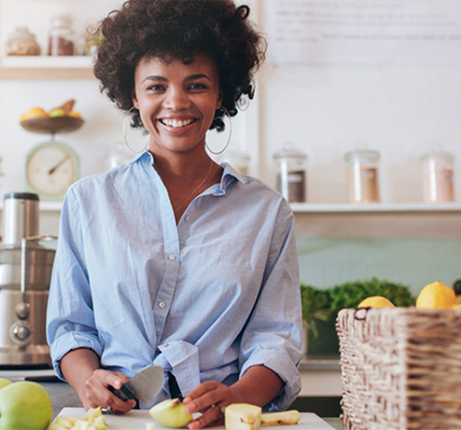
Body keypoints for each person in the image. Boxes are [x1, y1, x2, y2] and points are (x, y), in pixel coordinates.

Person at [46, 1, 302, 428]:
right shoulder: (87, 203)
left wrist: (238, 397)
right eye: (156, 86)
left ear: (222, 93)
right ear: (133, 95)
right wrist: (89, 379)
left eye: (196, 84)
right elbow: (72, 326)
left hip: (219, 421)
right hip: (115, 420)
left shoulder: (267, 213)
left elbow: (275, 337)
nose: (176, 102)